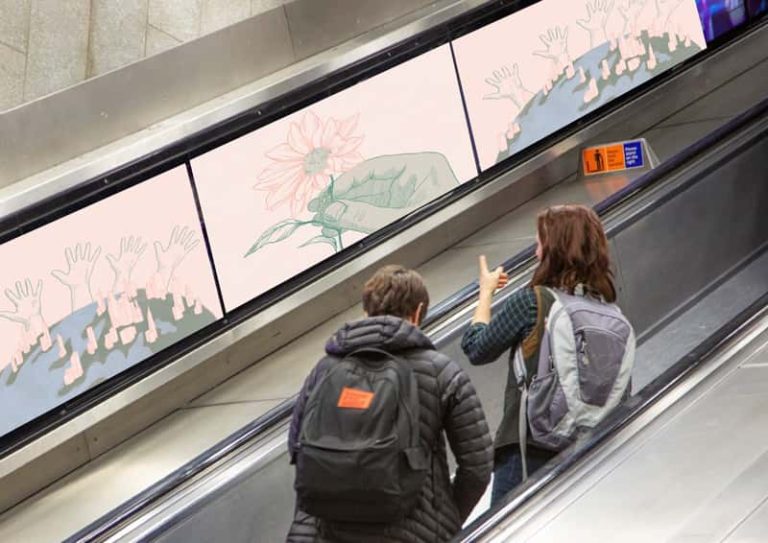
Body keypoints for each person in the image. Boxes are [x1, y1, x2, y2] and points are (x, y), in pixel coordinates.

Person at [287, 265, 493, 543]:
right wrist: (444, 518)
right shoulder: (442, 372)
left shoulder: (325, 370)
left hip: (331, 532)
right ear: (418, 313)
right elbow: (477, 467)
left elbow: (298, 448)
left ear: (366, 311)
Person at [461, 204, 621, 505]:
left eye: (539, 244)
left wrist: (485, 293)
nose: (535, 253)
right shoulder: (607, 310)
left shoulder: (532, 302)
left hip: (528, 448)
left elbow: (476, 347)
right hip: (590, 446)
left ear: (553, 249)